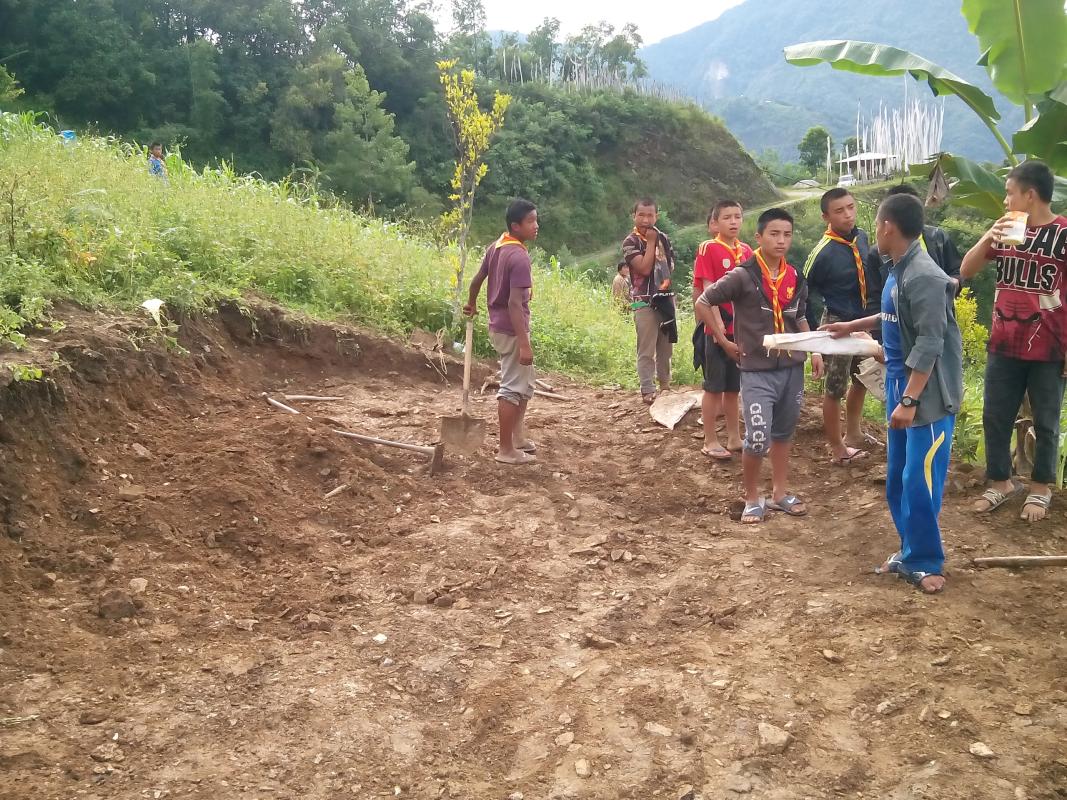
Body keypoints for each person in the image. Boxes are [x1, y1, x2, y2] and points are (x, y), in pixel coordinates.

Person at [823, 194, 963, 594]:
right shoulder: (898, 269)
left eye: (876, 224)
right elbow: (892, 315)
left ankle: (926, 561)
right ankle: (910, 550)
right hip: (900, 386)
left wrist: (909, 400)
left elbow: (931, 344)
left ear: (887, 226)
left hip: (927, 398)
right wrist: (852, 326)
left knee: (921, 482)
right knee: (899, 481)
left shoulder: (926, 276)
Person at [696, 208, 824, 523]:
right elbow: (703, 301)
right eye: (774, 234)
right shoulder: (744, 275)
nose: (781, 241)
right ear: (759, 237)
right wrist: (724, 340)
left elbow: (800, 316)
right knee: (756, 437)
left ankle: (780, 493)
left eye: (787, 235)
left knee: (783, 433)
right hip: (757, 371)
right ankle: (752, 497)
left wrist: (815, 349)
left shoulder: (795, 276)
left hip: (791, 368)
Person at [960, 160, 1067, 523]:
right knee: (995, 415)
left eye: (1009, 193)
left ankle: (1040, 488)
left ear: (1030, 194)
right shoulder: (1004, 230)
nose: (1005, 201)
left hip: (1050, 346)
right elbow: (966, 269)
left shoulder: (1063, 233)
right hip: (1004, 342)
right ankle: (1001, 482)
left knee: (1046, 420)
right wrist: (988, 235)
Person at [803, 188, 882, 465]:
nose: (848, 215)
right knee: (835, 386)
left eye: (851, 207)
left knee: (862, 378)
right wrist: (814, 341)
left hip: (864, 321)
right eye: (839, 211)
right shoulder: (822, 253)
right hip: (836, 323)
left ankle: (854, 433)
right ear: (826, 217)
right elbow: (805, 294)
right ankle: (837, 447)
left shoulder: (862, 238)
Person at [463, 198, 540, 466]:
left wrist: (471, 303)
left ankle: (517, 438)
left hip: (500, 326)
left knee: (525, 384)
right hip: (512, 329)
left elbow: (476, 280)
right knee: (512, 388)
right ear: (515, 226)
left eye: (536, 220)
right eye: (530, 221)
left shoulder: (497, 247)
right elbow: (514, 303)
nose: (536, 226)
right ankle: (506, 449)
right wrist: (524, 343)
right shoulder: (518, 257)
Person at [693, 200, 752, 459]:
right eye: (727, 217)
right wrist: (718, 329)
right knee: (714, 387)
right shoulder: (709, 248)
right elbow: (708, 289)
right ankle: (710, 440)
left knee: (733, 388)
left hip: (739, 330)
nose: (733, 222)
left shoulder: (746, 251)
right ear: (715, 222)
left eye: (737, 216)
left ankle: (734, 437)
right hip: (717, 330)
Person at [622, 199, 676, 403]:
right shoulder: (630, 242)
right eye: (641, 215)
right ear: (633, 216)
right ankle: (647, 388)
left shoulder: (664, 238)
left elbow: (670, 266)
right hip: (643, 301)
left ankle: (665, 386)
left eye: (650, 215)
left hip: (665, 298)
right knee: (646, 348)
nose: (646, 220)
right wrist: (652, 243)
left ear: (657, 217)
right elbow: (644, 269)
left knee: (665, 347)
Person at [882, 184, 962, 288]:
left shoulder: (939, 238)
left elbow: (957, 270)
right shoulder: (880, 252)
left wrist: (952, 283)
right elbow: (874, 293)